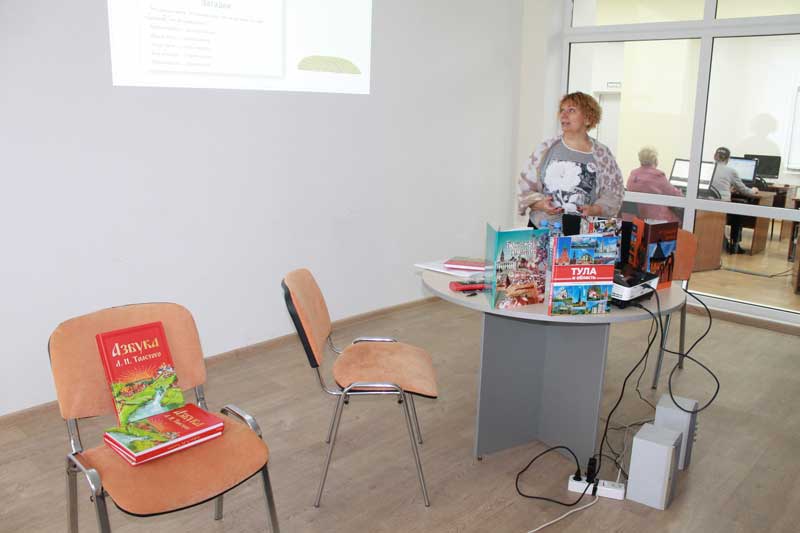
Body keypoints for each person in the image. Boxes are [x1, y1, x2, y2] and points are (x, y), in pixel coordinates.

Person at [518, 92, 624, 229]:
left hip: (580, 233)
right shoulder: (545, 149)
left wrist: (594, 210)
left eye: (571, 110)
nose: (563, 115)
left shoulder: (602, 154)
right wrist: (540, 204)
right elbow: (524, 188)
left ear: (588, 118)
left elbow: (614, 193)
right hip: (541, 229)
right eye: (562, 110)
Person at [710, 146, 759, 254]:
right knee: (738, 211)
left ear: (714, 156)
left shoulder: (707, 168)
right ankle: (735, 244)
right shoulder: (731, 171)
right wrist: (753, 190)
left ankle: (726, 242)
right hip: (722, 206)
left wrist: (727, 189)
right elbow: (744, 191)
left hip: (706, 205)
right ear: (728, 159)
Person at [626, 146, 683, 224]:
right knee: (681, 215)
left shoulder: (633, 175)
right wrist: (681, 191)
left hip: (638, 221)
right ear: (655, 160)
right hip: (657, 220)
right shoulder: (658, 175)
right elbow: (676, 196)